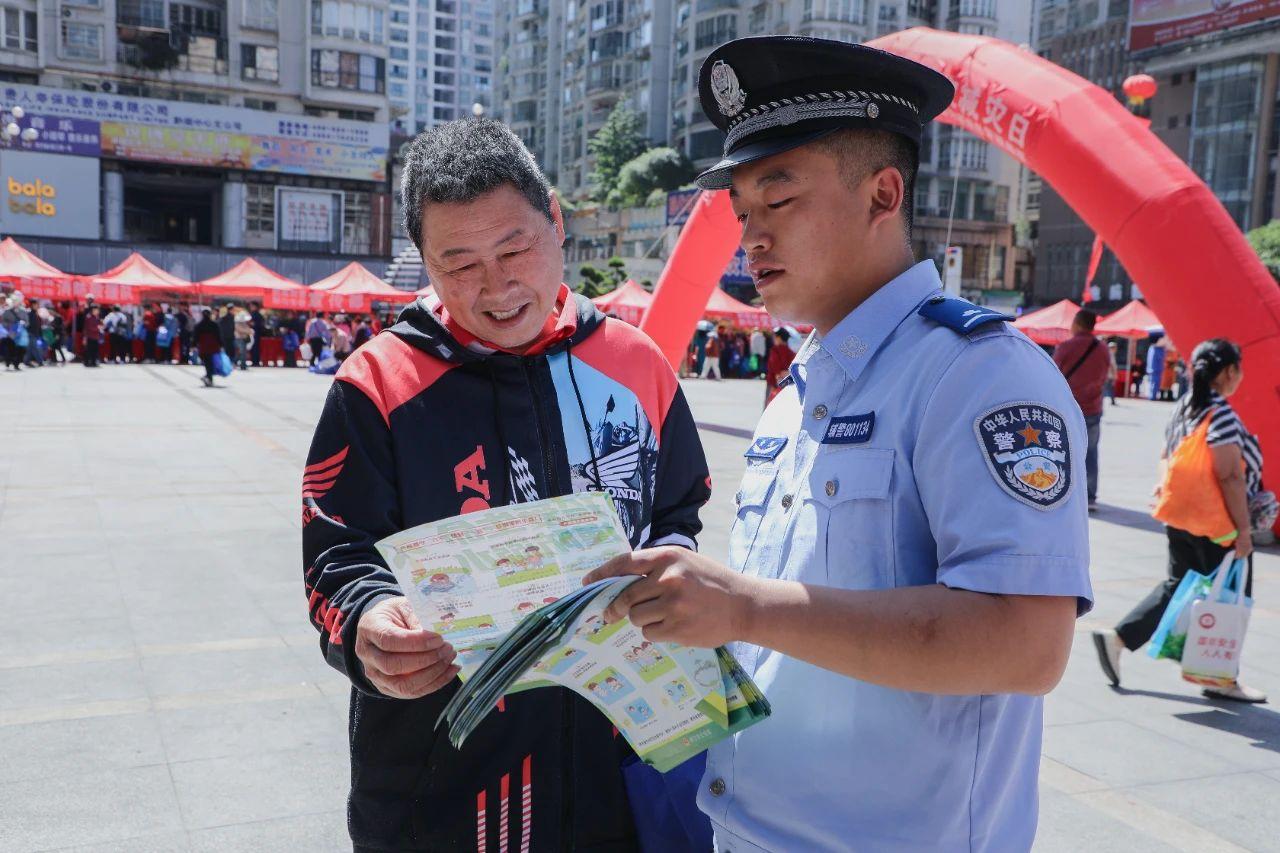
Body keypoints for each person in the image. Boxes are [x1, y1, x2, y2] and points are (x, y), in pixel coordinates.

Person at [583, 37, 1092, 852]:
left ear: (883, 193)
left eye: (778, 200)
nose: (751, 238)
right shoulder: (799, 390)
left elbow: (1027, 645)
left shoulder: (977, 376)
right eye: (742, 213)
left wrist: (744, 604)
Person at [301, 117, 712, 851]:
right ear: (424, 261)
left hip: (618, 765)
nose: (496, 286)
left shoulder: (636, 363)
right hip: (442, 790)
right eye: (459, 263)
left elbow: (679, 506)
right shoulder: (377, 384)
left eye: (515, 249)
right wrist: (368, 621)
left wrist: (671, 568)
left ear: (555, 220)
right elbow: (336, 555)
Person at [1092, 338, 1265, 703]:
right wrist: (1244, 531)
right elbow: (1229, 475)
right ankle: (1220, 678)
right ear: (1229, 371)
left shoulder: (1186, 406)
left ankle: (1118, 638)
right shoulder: (1220, 414)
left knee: (1178, 585)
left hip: (1180, 515)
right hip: (1218, 525)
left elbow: (1166, 455)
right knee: (1228, 597)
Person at [1053, 309, 1111, 511]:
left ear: (1076, 324)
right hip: (1093, 407)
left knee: (1063, 450)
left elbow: (1053, 375)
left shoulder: (1066, 347)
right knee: (1091, 452)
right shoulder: (1103, 349)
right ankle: (1090, 496)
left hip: (1067, 407)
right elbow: (1104, 376)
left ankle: (1062, 491)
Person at [763, 327, 795, 405]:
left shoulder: (775, 350)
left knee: (770, 405)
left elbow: (774, 366)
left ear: (779, 338)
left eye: (774, 337)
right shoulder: (791, 352)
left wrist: (778, 376)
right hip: (787, 383)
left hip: (774, 382)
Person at [193, 308, 223, 387]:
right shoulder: (214, 324)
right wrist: (221, 345)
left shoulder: (199, 325)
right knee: (211, 362)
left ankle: (208, 377)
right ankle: (208, 377)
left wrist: (193, 345)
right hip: (213, 346)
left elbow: (195, 336)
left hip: (203, 346)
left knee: (207, 362)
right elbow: (218, 336)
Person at [233, 304, 253, 371]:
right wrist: (248, 331)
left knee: (242, 352)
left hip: (244, 339)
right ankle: (242, 365)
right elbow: (240, 330)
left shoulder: (244, 323)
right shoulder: (237, 323)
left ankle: (240, 364)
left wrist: (249, 331)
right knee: (242, 352)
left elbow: (247, 330)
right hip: (239, 339)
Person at [249, 301, 265, 366]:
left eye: (252, 306)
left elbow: (260, 325)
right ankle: (253, 361)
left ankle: (256, 362)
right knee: (252, 348)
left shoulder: (258, 315)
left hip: (256, 333)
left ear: (255, 307)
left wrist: (253, 324)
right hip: (251, 333)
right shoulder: (251, 314)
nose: (250, 307)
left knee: (255, 348)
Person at [1103, 340, 1118, 405]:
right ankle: (1112, 401)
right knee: (1109, 388)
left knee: (1109, 388)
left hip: (1108, 374)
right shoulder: (1110, 354)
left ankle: (1112, 400)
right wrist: (1114, 374)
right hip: (1109, 375)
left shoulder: (1108, 353)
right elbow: (1111, 365)